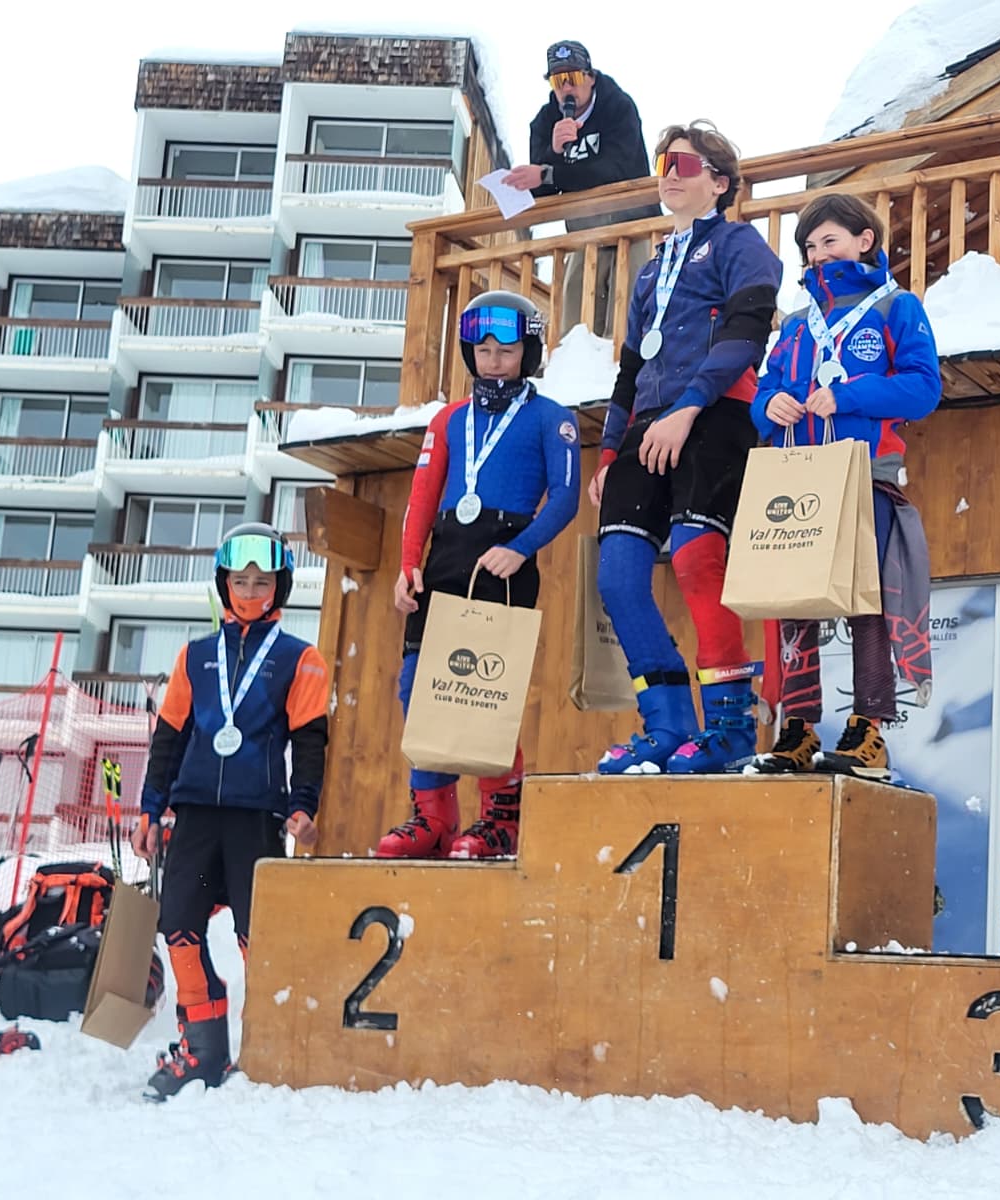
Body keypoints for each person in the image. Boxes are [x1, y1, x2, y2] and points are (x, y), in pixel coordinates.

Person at [591, 121, 782, 775]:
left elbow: (746, 332)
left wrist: (690, 406)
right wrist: (610, 450)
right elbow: (630, 366)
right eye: (663, 164)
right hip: (645, 426)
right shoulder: (652, 269)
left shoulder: (739, 243)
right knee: (617, 576)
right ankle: (668, 724)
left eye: (686, 164)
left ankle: (730, 727)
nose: (670, 173)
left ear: (719, 183)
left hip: (715, 413)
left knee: (699, 560)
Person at [744, 194, 940, 782]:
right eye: (809, 247)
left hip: (863, 473)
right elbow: (763, 392)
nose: (817, 255)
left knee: (865, 599)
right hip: (798, 475)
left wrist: (850, 395)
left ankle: (869, 729)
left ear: (864, 240)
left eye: (829, 241)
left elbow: (923, 389)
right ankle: (798, 727)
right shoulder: (796, 323)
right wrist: (768, 405)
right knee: (793, 604)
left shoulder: (896, 307)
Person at [130, 522, 328, 1101]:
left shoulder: (300, 658)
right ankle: (203, 1050)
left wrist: (303, 804)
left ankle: (265, 1049)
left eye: (261, 581)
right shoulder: (194, 657)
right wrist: (150, 809)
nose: (249, 591)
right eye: (239, 580)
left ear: (279, 587)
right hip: (194, 814)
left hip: (256, 817)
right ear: (224, 584)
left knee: (256, 935)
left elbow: (310, 741)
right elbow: (169, 738)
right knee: (179, 928)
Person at [381, 290, 580, 858]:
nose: (493, 361)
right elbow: (422, 498)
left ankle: (501, 817)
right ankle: (433, 815)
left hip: (503, 564)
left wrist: (521, 548)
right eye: (484, 350)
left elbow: (566, 498)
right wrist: (407, 565)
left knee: (485, 690)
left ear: (529, 353)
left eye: (506, 351)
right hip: (444, 559)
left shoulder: (552, 418)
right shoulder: (448, 419)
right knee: (417, 685)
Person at [501, 40, 661, 338]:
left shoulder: (618, 107)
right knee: (576, 319)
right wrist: (552, 152)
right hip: (584, 231)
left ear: (591, 77)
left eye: (572, 78)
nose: (566, 88)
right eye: (557, 81)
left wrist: (549, 173)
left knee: (627, 317)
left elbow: (615, 170)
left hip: (635, 224)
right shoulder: (544, 122)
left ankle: (626, 363)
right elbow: (544, 191)